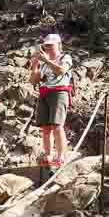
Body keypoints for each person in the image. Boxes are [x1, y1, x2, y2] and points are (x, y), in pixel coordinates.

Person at [29, 33, 73, 167]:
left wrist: (47, 60)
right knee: (46, 127)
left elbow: (61, 71)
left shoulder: (65, 57)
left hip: (59, 92)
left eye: (50, 46)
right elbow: (33, 81)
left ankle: (61, 156)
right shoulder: (44, 62)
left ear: (58, 45)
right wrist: (35, 65)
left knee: (57, 125)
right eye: (45, 46)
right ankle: (48, 155)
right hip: (45, 92)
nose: (47, 49)